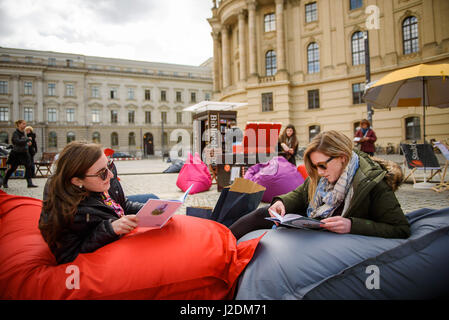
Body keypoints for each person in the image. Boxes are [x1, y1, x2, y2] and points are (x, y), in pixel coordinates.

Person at [229, 130, 411, 240]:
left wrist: (352, 225)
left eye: (323, 165)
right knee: (263, 213)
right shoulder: (321, 174)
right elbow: (300, 194)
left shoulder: (373, 184)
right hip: (316, 225)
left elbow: (400, 229)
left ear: (342, 158)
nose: (320, 172)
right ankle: (222, 243)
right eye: (315, 166)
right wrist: (281, 203)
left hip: (338, 241)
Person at [39, 141, 144, 264]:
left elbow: (122, 204)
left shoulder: (97, 183)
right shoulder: (66, 213)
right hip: (112, 252)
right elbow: (69, 256)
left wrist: (149, 210)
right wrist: (109, 229)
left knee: (160, 200)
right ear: (78, 181)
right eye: (102, 173)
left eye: (109, 165)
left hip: (116, 215)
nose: (110, 175)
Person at [2, 120, 37, 188]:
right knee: (13, 168)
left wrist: (28, 143)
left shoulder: (24, 133)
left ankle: (29, 183)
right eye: (23, 124)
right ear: (19, 124)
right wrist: (26, 140)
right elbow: (16, 141)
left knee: (28, 166)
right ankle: (5, 181)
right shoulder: (15, 133)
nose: (25, 125)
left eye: (25, 124)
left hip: (24, 153)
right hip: (16, 154)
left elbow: (24, 142)